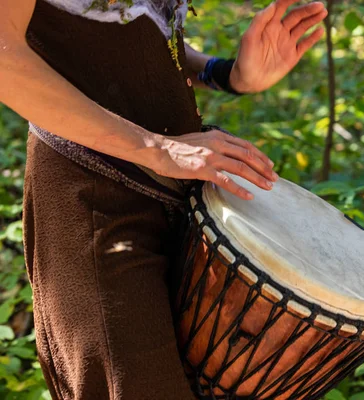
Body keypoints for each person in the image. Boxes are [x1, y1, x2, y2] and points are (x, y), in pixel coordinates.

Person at [0, 0, 327, 398]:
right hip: (93, 200)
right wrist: (155, 148)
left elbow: (132, 30)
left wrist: (225, 73)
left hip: (183, 196)